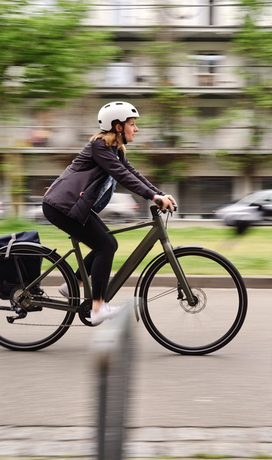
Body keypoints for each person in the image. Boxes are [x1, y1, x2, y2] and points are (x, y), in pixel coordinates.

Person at [42, 101, 177, 325]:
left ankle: (73, 283)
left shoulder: (114, 149)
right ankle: (98, 307)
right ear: (117, 127)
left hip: (74, 207)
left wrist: (160, 194)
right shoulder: (99, 147)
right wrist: (153, 197)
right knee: (104, 245)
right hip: (62, 207)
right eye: (132, 124)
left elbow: (132, 172)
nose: (137, 129)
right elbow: (122, 176)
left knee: (109, 244)